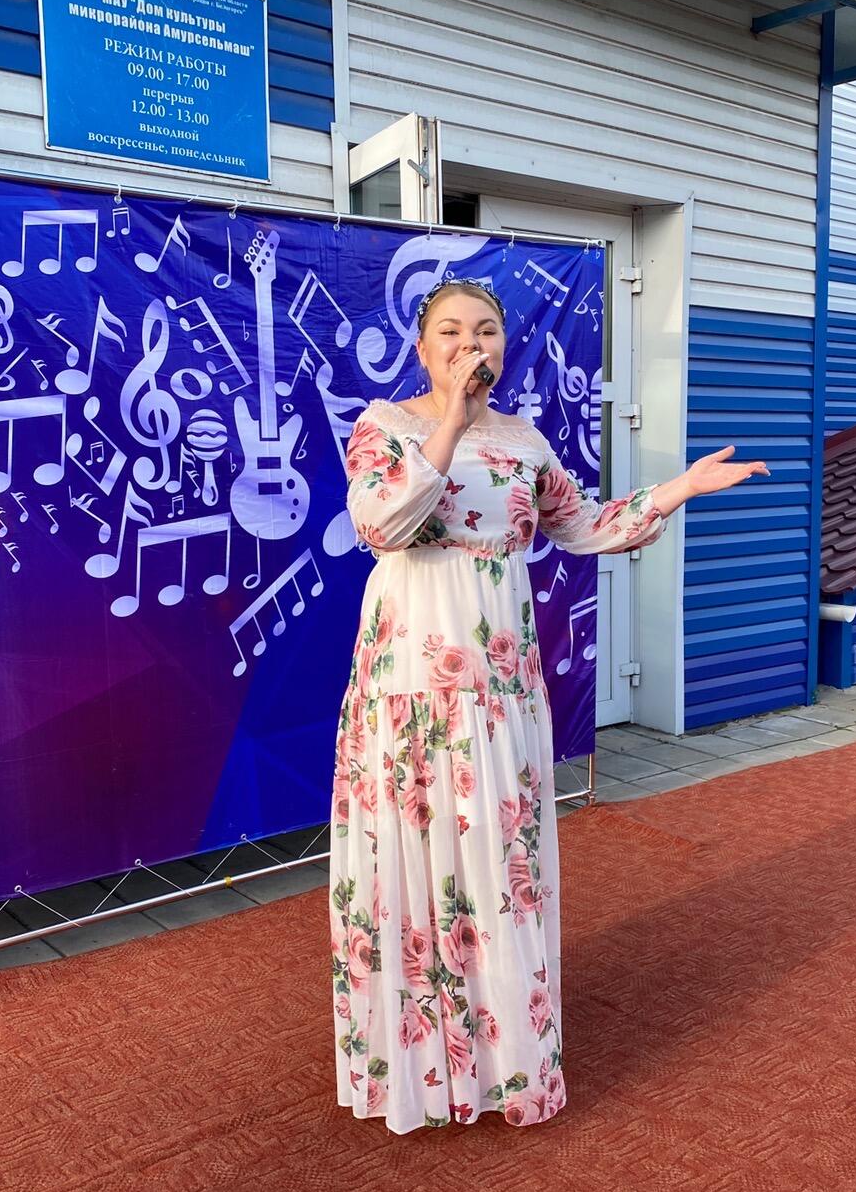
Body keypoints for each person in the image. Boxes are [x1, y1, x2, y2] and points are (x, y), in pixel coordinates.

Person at [329, 277, 768, 1133]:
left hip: (498, 677)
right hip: (409, 674)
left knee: (499, 857)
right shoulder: (385, 426)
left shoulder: (526, 441)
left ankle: (501, 1059)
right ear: (422, 347)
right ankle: (418, 1066)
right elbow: (381, 526)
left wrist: (675, 490)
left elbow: (584, 526)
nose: (470, 344)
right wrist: (451, 423)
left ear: (505, 346)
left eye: (486, 331)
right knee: (415, 853)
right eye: (451, 330)